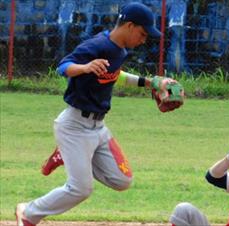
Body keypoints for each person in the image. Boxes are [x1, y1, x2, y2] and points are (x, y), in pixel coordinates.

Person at [15, 2, 172, 226]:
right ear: (129, 25)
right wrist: (85, 67)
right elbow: (63, 66)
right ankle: (29, 212)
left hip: (99, 129)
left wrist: (150, 82)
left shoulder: (120, 50)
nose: (144, 39)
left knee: (122, 180)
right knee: (81, 188)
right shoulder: (97, 45)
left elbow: (115, 74)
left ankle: (66, 154)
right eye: (143, 33)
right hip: (74, 126)